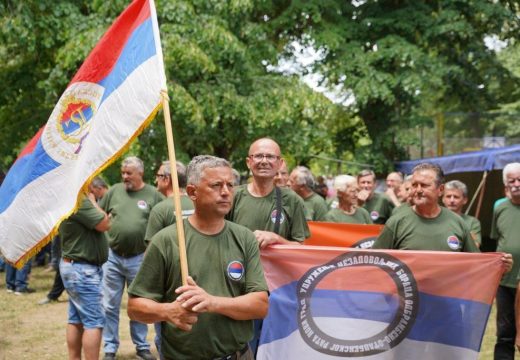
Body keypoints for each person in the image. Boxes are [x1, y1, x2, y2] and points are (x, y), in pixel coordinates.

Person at [127, 155, 269, 359]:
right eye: (216, 185)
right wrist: (168, 311)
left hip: (238, 354)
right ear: (192, 192)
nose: (226, 192)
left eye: (230, 185)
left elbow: (260, 305)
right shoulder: (166, 240)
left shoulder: (244, 238)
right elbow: (135, 307)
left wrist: (212, 302)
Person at [372, 163, 512, 269]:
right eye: (414, 185)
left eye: (425, 185)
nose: (418, 190)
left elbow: (475, 263)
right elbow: (375, 261)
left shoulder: (457, 222)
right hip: (408, 303)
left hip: (448, 303)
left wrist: (499, 265)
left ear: (440, 190)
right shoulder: (397, 222)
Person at [100, 156, 164, 360]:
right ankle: (110, 347)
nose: (124, 176)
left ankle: (141, 346)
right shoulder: (114, 191)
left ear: (140, 173)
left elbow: (163, 223)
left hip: (140, 259)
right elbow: (99, 215)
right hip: (113, 257)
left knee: (139, 304)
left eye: (129, 173)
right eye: (123, 173)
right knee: (110, 303)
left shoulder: (153, 195)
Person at [226, 138, 309, 249]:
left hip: (276, 266)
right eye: (258, 156)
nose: (264, 161)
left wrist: (276, 239)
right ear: (248, 162)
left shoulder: (292, 200)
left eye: (270, 156)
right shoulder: (232, 196)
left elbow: (300, 247)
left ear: (280, 163)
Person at [59, 191, 110, 360]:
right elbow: (103, 223)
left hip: (74, 266)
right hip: (82, 270)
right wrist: (93, 201)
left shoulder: (67, 196)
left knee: (76, 319)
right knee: (94, 322)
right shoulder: (79, 199)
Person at [492, 162, 520, 360]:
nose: (517, 184)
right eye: (512, 180)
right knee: (504, 331)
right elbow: (498, 238)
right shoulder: (499, 207)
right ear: (506, 185)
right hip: (505, 279)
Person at [144, 161, 194, 245]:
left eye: (158, 176)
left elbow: (153, 249)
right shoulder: (198, 204)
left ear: (167, 179)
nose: (156, 180)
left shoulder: (160, 210)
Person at [442, 180, 482, 247]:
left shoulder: (472, 222)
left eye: (456, 197)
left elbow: (475, 246)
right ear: (443, 199)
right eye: (448, 196)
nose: (452, 200)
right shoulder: (435, 218)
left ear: (465, 200)